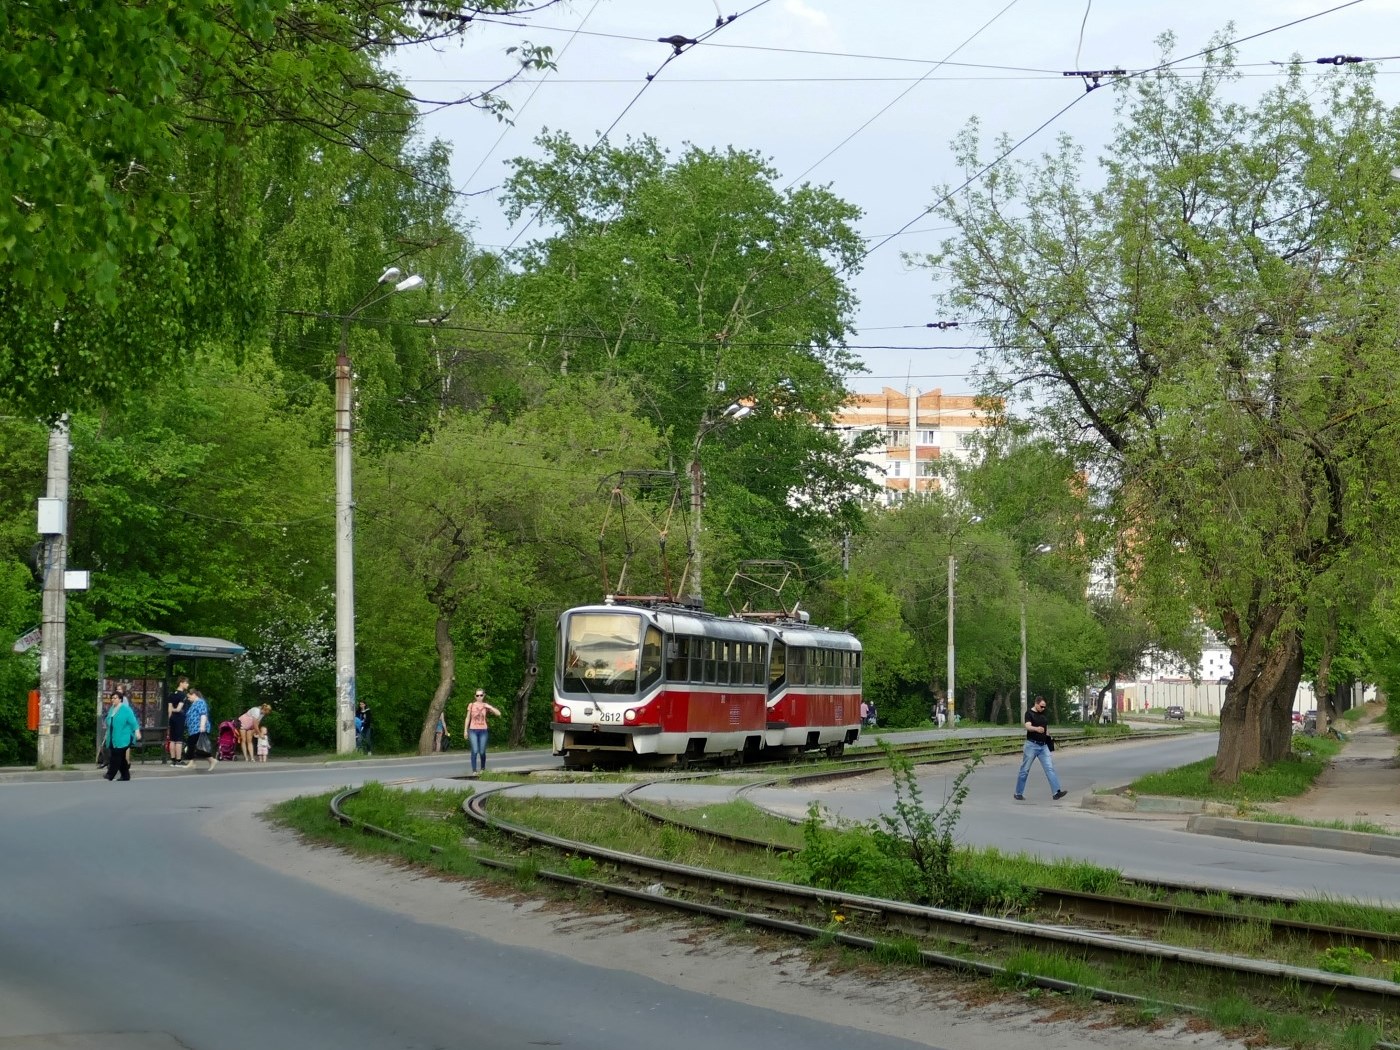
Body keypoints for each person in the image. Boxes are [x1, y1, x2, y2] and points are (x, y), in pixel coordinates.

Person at [1014, 695, 1067, 801]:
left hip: (1043, 746)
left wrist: (1049, 736)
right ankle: (1018, 793)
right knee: (1025, 770)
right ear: (1036, 703)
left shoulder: (1043, 715)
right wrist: (1036, 729)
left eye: (1044, 707)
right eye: (1041, 706)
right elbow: (1027, 726)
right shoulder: (1029, 713)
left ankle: (1056, 792)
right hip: (1031, 745)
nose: (1043, 709)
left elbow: (1046, 728)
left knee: (1049, 768)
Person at [103, 692, 141, 782]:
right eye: (112, 698)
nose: (113, 700)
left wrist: (137, 731)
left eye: (115, 698)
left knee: (116, 755)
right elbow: (109, 721)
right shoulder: (112, 709)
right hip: (113, 737)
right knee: (122, 758)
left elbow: (133, 721)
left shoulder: (126, 709)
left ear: (120, 699)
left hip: (123, 737)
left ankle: (110, 774)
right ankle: (125, 776)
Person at [463, 689, 501, 773]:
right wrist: (465, 730)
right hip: (473, 730)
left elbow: (498, 714)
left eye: (481, 695)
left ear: (483, 696)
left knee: (482, 751)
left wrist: (489, 707)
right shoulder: (471, 705)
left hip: (483, 730)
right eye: (477, 695)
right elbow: (468, 718)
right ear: (475, 696)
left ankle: (483, 768)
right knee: (475, 750)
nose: (479, 697)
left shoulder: (485, 706)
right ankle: (474, 771)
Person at [185, 689, 216, 772]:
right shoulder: (194, 703)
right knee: (192, 745)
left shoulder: (200, 702)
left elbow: (203, 714)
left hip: (198, 728)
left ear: (194, 695)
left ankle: (211, 760)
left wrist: (202, 726)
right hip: (193, 729)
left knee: (199, 746)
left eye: (189, 696)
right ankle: (192, 762)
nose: (188, 698)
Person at [167, 676, 189, 767]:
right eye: (186, 683)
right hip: (179, 718)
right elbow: (179, 708)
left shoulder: (171, 694)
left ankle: (172, 760)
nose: (187, 685)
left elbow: (169, 709)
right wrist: (175, 710)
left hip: (172, 718)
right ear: (181, 683)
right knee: (179, 740)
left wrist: (170, 716)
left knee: (172, 739)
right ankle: (178, 760)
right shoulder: (183, 695)